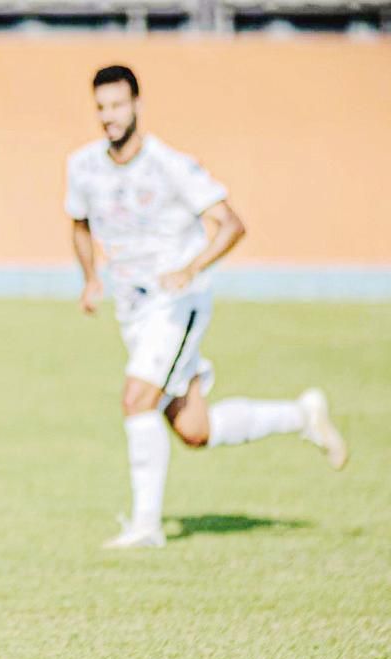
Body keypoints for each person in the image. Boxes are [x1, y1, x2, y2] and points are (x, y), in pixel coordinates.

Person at [68, 65, 348, 549]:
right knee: (194, 429)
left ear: (136, 104)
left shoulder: (170, 165)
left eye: (117, 105)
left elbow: (231, 224)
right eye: (101, 107)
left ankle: (146, 528)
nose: (109, 116)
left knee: (137, 398)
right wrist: (92, 278)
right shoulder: (84, 165)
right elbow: (79, 223)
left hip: (178, 304)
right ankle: (302, 416)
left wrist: (190, 268)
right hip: (133, 312)